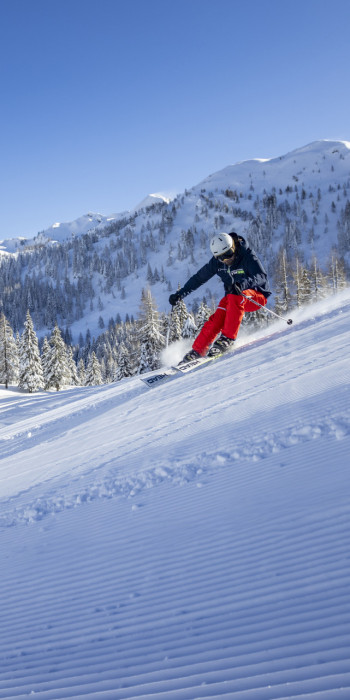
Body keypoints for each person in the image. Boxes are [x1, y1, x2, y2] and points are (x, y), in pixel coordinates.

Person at [169, 231, 271, 362]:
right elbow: (199, 278)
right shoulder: (217, 263)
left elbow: (261, 277)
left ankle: (227, 339)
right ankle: (197, 350)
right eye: (221, 257)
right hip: (233, 298)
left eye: (228, 254)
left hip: (256, 296)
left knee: (235, 295)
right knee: (219, 315)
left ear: (233, 247)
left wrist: (242, 284)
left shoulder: (247, 255)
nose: (226, 259)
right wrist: (180, 294)